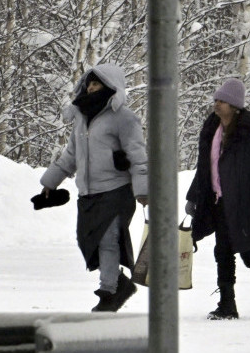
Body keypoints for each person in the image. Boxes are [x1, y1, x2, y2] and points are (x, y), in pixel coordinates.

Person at [39, 63, 149, 313]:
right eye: (88, 83)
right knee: (86, 241)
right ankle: (120, 283)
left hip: (116, 190)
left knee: (108, 241)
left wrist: (142, 189)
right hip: (88, 193)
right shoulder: (81, 117)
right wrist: (50, 181)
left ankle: (108, 294)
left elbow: (137, 155)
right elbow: (71, 154)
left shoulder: (124, 118)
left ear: (111, 86)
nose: (90, 88)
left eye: (96, 83)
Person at [185, 79, 250, 320]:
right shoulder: (213, 127)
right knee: (222, 251)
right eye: (216, 100)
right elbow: (206, 166)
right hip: (220, 201)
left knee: (249, 253)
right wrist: (194, 196)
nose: (217, 105)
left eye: (222, 101)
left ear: (235, 105)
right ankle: (227, 305)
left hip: (245, 203)